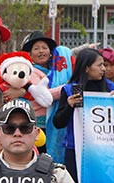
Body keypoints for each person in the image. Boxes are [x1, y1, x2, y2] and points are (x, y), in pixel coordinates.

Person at [52, 48, 114, 183]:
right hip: (75, 150)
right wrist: (68, 106)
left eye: (104, 65)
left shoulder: (111, 89)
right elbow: (58, 122)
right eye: (99, 65)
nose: (103, 69)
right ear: (86, 68)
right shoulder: (70, 91)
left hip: (103, 151)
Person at [20, 31, 74, 161]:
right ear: (30, 53)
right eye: (36, 48)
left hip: (55, 122)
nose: (41, 51)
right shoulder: (28, 71)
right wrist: (68, 87)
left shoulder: (57, 71)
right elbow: (44, 97)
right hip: (36, 124)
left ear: (50, 52)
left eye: (44, 48)